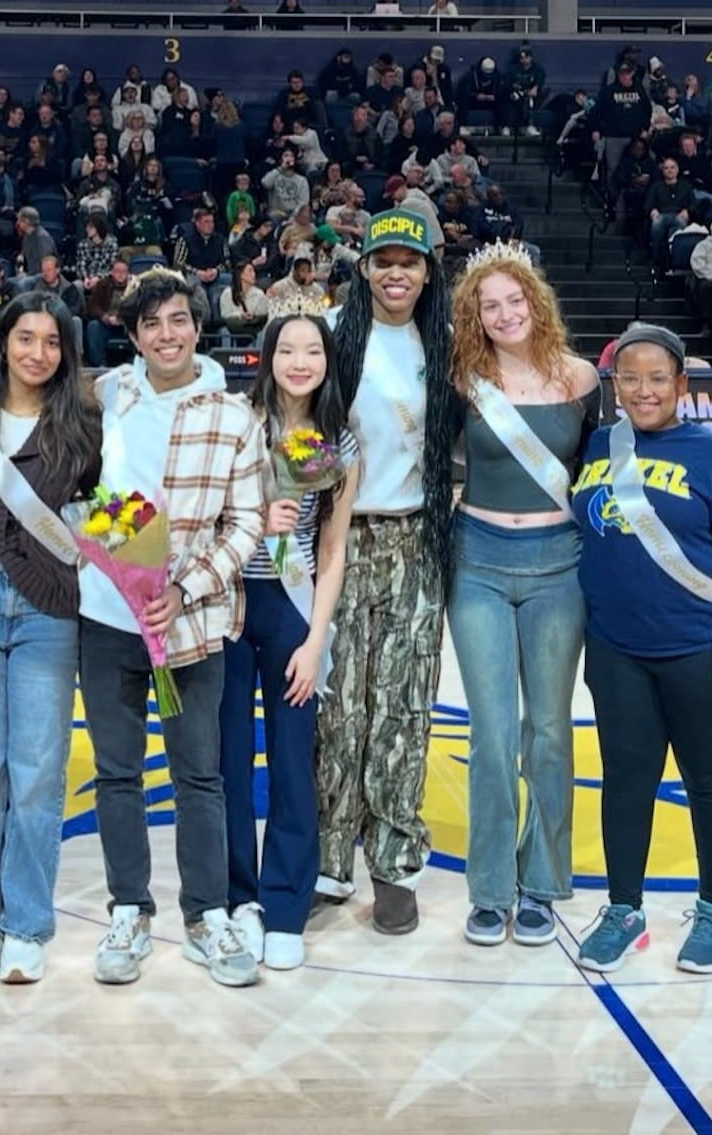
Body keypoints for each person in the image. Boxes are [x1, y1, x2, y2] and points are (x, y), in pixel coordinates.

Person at [80, 269, 266, 988]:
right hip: (106, 616)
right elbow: (86, 490)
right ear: (132, 336)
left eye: (180, 319)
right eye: (152, 323)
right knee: (116, 770)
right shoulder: (106, 397)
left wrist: (182, 586)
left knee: (200, 772)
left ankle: (206, 915)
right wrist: (126, 571)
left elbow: (247, 521)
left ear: (197, 325)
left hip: (189, 626)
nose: (168, 334)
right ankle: (129, 907)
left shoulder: (231, 412)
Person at [569, 323, 712, 974]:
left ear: (682, 385)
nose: (645, 389)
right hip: (617, 650)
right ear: (614, 385)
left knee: (710, 781)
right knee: (625, 780)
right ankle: (624, 909)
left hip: (701, 649)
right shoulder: (600, 444)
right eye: (631, 377)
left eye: (659, 377)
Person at [0, 293, 102, 984]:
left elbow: (105, 503)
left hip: (49, 608)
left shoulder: (85, 421)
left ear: (66, 351)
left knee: (37, 774)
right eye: (25, 337)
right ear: (3, 340)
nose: (37, 352)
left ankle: (27, 924)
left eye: (52, 341)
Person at [448, 242, 600, 948]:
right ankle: (489, 890)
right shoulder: (461, 376)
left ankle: (541, 881)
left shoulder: (581, 378)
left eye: (514, 300)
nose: (504, 314)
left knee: (549, 729)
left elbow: (598, 476)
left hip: (557, 566)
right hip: (477, 560)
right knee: (490, 731)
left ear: (534, 302)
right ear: (474, 315)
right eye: (489, 305)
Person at [314, 209, 459, 934]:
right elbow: (300, 428)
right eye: (383, 260)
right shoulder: (334, 334)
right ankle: (330, 857)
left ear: (427, 270)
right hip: (340, 540)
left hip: (415, 538)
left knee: (403, 707)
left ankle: (395, 860)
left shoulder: (447, 344)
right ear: (364, 267)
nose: (395, 271)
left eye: (409, 260)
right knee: (339, 704)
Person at [220, 312, 358, 972]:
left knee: (291, 758)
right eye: (287, 349)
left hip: (290, 604)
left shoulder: (337, 441)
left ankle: (283, 906)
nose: (299, 361)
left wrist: (315, 636)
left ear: (328, 360)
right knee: (224, 758)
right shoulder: (234, 420)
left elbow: (330, 550)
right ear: (266, 355)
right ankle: (236, 899)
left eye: (313, 350)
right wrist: (254, 516)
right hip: (225, 601)